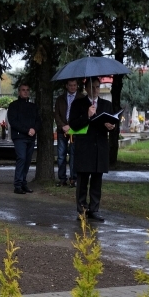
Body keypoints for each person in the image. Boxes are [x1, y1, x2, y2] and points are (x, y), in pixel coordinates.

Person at [68, 77, 117, 221]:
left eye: (97, 87)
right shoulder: (78, 104)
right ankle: (82, 209)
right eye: (92, 87)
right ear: (86, 88)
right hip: (84, 146)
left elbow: (112, 124)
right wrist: (87, 116)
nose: (95, 90)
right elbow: (74, 124)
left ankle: (94, 209)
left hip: (99, 147)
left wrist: (111, 126)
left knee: (97, 180)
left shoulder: (106, 104)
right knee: (82, 181)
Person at [7, 83, 41, 194]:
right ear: (19, 92)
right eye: (23, 90)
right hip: (19, 137)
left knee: (27, 160)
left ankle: (23, 183)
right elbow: (13, 122)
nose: (25, 92)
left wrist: (34, 129)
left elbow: (38, 120)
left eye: (27, 90)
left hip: (31, 137)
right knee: (21, 158)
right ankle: (17, 185)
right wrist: (27, 130)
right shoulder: (13, 106)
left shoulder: (33, 106)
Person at [54, 79, 79, 187]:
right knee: (61, 155)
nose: (72, 87)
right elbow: (56, 114)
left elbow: (81, 115)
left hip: (75, 131)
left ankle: (73, 179)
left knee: (74, 155)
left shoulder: (81, 98)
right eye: (70, 85)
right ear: (66, 86)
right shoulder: (60, 99)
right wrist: (62, 126)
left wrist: (71, 126)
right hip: (62, 130)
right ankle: (62, 179)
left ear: (77, 86)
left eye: (74, 85)